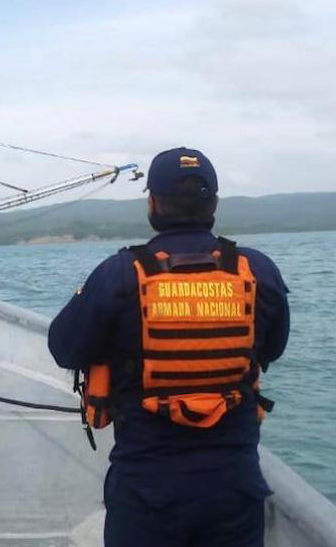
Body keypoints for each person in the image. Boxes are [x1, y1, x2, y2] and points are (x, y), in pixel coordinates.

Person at [48, 147, 290, 547]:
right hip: (234, 489)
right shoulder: (257, 270)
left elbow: (64, 348)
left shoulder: (118, 274)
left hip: (146, 495)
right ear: (214, 203)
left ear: (153, 205)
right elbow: (273, 349)